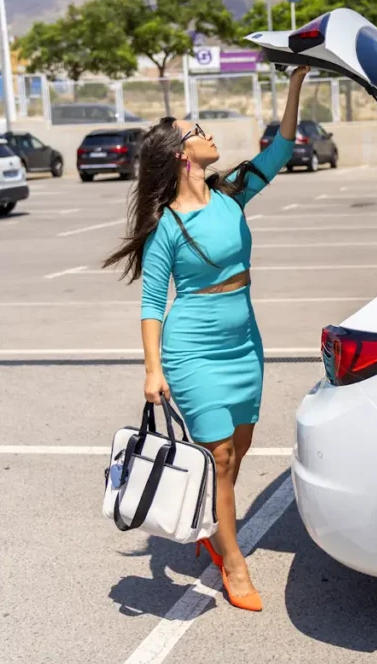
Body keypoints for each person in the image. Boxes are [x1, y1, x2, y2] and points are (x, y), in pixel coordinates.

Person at [103, 66, 311, 612]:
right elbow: (153, 304)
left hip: (244, 343)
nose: (209, 133)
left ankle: (211, 523)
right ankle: (232, 561)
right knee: (217, 456)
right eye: (198, 130)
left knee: (237, 452)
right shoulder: (167, 227)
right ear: (181, 154)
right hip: (193, 348)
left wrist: (295, 84)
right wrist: (153, 370)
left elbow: (282, 147)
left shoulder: (231, 194)